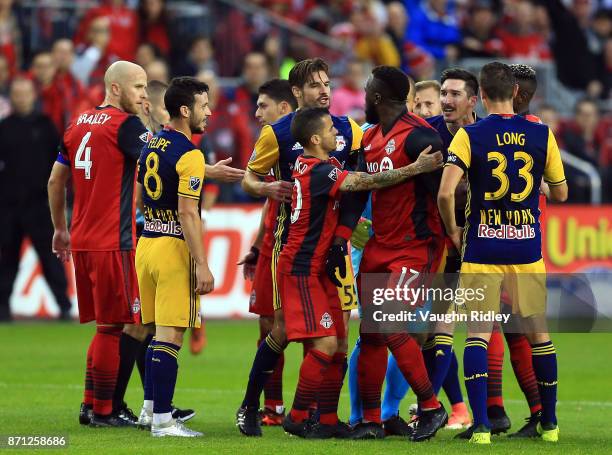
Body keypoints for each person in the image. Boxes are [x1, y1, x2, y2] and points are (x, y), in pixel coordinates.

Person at [281, 107, 443, 438]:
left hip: (323, 265)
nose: (336, 136)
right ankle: (296, 417)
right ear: (315, 139)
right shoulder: (321, 171)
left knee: (340, 341)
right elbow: (367, 181)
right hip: (302, 267)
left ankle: (328, 421)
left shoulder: (316, 166)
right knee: (325, 344)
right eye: (329, 130)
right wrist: (415, 168)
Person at [438, 61, 567, 444]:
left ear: (481, 94)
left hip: (482, 247)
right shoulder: (542, 134)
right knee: (539, 336)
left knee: (477, 335)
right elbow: (560, 193)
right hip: (526, 249)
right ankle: (550, 425)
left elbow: (446, 193)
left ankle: (480, 428)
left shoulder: (469, 135)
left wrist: (454, 229)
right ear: (514, 92)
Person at [236, 58, 362, 437]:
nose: (324, 90)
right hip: (291, 245)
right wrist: (265, 188)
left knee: (338, 334)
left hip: (334, 249)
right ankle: (250, 407)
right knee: (282, 330)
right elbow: (249, 179)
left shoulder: (348, 129)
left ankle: (323, 417)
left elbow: (356, 184)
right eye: (314, 85)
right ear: (296, 93)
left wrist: (344, 234)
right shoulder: (277, 134)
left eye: (327, 83)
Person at [345, 66, 448, 442]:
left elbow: (445, 191)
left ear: (376, 97)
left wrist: (450, 236)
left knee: (389, 324)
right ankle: (371, 420)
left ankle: (431, 407)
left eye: (366, 92)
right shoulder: (369, 136)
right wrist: (343, 235)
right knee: (371, 334)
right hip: (378, 246)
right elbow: (357, 190)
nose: (363, 98)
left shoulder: (422, 136)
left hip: (413, 247)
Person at [48, 61, 149, 426]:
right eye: (138, 87)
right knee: (113, 326)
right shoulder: (127, 125)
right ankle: (105, 411)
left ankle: (91, 405)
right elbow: (158, 161)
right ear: (116, 88)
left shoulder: (76, 124)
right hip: (114, 241)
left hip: (83, 240)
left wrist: (61, 229)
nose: (144, 94)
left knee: (104, 326)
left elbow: (55, 182)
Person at [135, 77, 214, 437]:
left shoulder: (151, 144)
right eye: (203, 106)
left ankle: (150, 411)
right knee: (171, 336)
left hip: (146, 243)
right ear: (185, 110)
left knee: (154, 333)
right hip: (171, 249)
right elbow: (188, 213)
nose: (209, 112)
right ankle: (165, 421)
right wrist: (201, 263)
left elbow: (139, 196)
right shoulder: (191, 154)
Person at [237, 78, 297, 426]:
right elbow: (267, 196)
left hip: (301, 243)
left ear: (284, 108)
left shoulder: (310, 136)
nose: (257, 113)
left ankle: (315, 406)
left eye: (263, 106)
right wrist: (258, 244)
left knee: (298, 328)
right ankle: (272, 406)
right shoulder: (275, 141)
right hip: (274, 240)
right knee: (268, 324)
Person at [0, 78, 71, 321]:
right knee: (6, 258)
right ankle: (2, 309)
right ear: (12, 97)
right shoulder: (4, 127)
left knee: (50, 258)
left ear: (33, 96)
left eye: (25, 93)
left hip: (40, 205)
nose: (21, 98)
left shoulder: (46, 126)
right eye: (17, 94)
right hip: (8, 207)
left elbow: (60, 165)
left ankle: (63, 305)